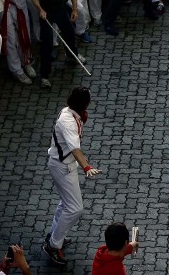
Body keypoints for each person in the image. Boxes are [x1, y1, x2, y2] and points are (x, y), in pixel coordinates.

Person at [43, 87, 101, 265]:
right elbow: (75, 149)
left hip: (64, 164)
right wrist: (87, 167)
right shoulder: (68, 122)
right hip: (63, 167)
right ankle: (53, 245)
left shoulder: (69, 112)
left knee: (66, 204)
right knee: (75, 209)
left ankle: (55, 235)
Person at [30, 0, 86, 88]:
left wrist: (74, 9)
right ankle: (44, 76)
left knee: (70, 34)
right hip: (47, 14)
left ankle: (72, 55)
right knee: (47, 44)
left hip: (61, 10)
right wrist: (40, 10)